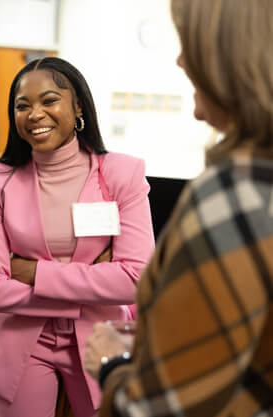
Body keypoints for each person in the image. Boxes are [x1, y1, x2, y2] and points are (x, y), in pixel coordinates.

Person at [85, 1, 273, 416]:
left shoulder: (234, 197)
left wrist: (112, 365)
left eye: (190, 44)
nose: (181, 59)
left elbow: (159, 410)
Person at [0, 57, 155, 417]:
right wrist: (92, 285)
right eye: (23, 105)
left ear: (78, 104)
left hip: (102, 335)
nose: (35, 114)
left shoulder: (121, 174)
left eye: (49, 100)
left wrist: (34, 273)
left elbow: (135, 278)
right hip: (17, 339)